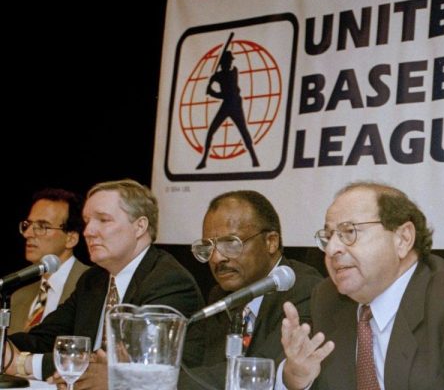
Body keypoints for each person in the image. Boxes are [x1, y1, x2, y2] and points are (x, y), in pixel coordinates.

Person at [278, 181, 444, 390]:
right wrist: (297, 379)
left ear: (403, 239)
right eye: (329, 237)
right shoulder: (328, 298)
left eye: (349, 232)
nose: (331, 250)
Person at [3, 179, 204, 388]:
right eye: (87, 221)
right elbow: (47, 338)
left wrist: (21, 363)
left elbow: (129, 369)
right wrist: (4, 346)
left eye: (103, 220)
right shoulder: (94, 279)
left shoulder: (168, 281)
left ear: (140, 226)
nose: (88, 231)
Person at [179, 190, 322, 390]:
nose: (216, 258)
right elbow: (186, 365)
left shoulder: (305, 290)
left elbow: (262, 372)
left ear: (271, 241)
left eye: (230, 244)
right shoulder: (219, 296)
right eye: (208, 247)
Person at [9, 188, 89, 334]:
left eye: (42, 227)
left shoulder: (93, 285)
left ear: (71, 238)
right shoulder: (18, 297)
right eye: (28, 225)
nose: (27, 234)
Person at [196, 37, 259, 170]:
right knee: (211, 131)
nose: (231, 62)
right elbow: (218, 92)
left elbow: (225, 95)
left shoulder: (233, 72)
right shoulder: (219, 75)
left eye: (231, 60)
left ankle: (254, 158)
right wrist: (212, 83)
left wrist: (212, 91)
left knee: (244, 132)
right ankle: (203, 160)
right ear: (224, 62)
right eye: (229, 60)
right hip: (226, 105)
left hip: (235, 104)